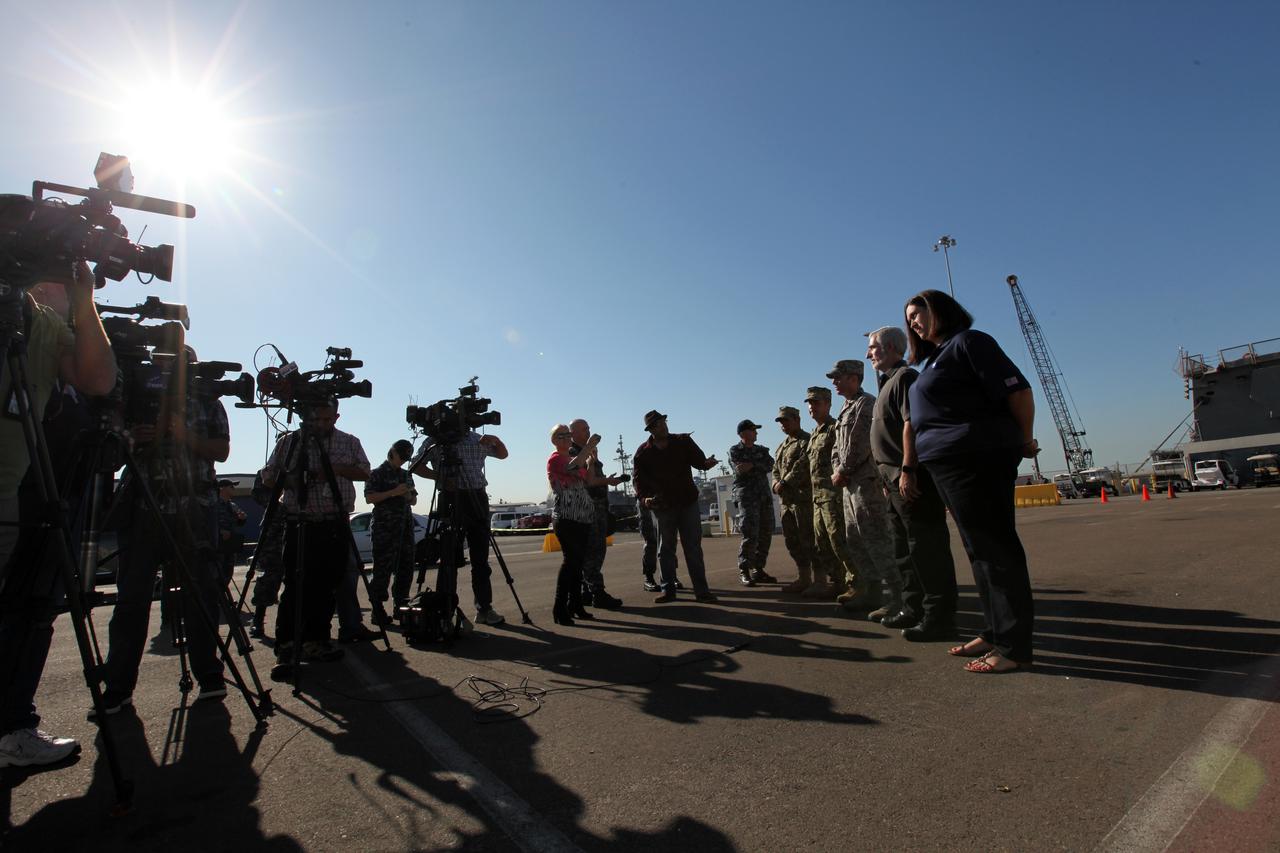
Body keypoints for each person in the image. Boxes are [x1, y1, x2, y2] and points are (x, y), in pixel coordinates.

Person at [0, 260, 115, 768]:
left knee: (30, 611)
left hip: (23, 488)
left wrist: (85, 301)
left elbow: (98, 379)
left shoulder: (41, 325)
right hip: (23, 489)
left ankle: (11, 726)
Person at [904, 289, 1038, 673]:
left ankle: (1014, 647)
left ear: (943, 311)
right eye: (909, 317)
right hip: (948, 464)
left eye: (920, 312)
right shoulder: (933, 359)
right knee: (978, 552)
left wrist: (1023, 439)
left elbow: (1019, 391)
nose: (914, 321)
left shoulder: (969, 343)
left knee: (997, 551)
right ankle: (995, 630)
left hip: (977, 457)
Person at [97, 346, 232, 714]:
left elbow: (221, 450)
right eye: (163, 360)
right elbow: (109, 449)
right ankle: (118, 688)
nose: (171, 366)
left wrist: (182, 435)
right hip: (144, 508)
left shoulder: (207, 400)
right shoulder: (136, 397)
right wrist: (136, 438)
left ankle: (210, 676)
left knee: (201, 596)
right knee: (131, 601)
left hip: (194, 508)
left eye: (180, 361)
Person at [261, 399, 370, 681]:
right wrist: (296, 479)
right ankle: (287, 645)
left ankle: (317, 641)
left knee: (328, 585)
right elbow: (269, 478)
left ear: (336, 416)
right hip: (301, 523)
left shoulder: (349, 442)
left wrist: (335, 469)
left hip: (334, 523)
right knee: (296, 585)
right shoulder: (291, 442)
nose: (322, 425)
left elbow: (364, 471)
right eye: (316, 419)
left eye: (327, 419)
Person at [866, 326, 958, 641]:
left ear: (892, 348)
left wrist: (908, 468)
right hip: (891, 479)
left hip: (909, 477)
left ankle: (939, 616)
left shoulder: (905, 378)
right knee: (903, 548)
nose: (869, 354)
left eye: (874, 347)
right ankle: (913, 607)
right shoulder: (887, 383)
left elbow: (912, 424)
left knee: (926, 548)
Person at [411, 428, 509, 626]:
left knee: (480, 558)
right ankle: (445, 611)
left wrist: (496, 441)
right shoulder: (437, 439)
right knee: (449, 558)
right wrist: (439, 477)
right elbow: (415, 465)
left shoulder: (477, 439)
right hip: (451, 498)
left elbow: (502, 454)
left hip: (477, 497)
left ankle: (484, 608)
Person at [828, 358, 900, 618]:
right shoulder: (846, 408)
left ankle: (896, 598)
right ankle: (871, 593)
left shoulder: (866, 404)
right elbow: (837, 447)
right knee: (856, 540)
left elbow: (860, 442)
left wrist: (843, 470)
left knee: (877, 540)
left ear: (854, 378)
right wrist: (838, 469)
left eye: (839, 377)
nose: (835, 382)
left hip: (865, 484)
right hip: (849, 485)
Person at [632, 410, 719, 603]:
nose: (663, 426)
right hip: (662, 506)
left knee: (693, 548)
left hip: (687, 502)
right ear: (651, 429)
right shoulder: (643, 452)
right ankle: (668, 590)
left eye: (664, 422)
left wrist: (707, 464)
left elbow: (700, 462)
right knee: (665, 549)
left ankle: (702, 591)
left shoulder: (683, 441)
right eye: (658, 425)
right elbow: (638, 480)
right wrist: (644, 498)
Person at [547, 426, 618, 625]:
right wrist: (588, 447)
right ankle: (559, 608)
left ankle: (576, 605)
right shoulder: (556, 458)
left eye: (568, 435)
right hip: (567, 518)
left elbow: (589, 478)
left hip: (582, 517)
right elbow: (572, 466)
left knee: (577, 563)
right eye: (562, 435)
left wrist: (592, 461)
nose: (567, 438)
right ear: (554, 440)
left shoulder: (573, 459)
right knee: (570, 562)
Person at [802, 387, 859, 601]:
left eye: (816, 403)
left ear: (828, 404)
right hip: (818, 498)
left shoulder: (835, 428)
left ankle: (855, 583)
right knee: (823, 543)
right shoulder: (816, 433)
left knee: (840, 541)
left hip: (833, 496)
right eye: (809, 404)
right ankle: (838, 582)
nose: (811, 407)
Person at [569, 418, 624, 609]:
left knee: (595, 550)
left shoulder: (589, 452)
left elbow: (595, 478)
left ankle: (587, 591)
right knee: (594, 550)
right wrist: (606, 481)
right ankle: (597, 592)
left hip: (598, 507)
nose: (588, 432)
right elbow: (588, 482)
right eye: (584, 429)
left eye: (588, 429)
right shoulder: (574, 453)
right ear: (573, 433)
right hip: (588, 509)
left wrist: (607, 480)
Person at [364, 439, 418, 627]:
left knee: (406, 568)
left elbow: (414, 501)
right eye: (401, 457)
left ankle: (401, 606)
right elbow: (370, 497)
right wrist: (393, 492)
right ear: (392, 453)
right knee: (382, 569)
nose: (402, 461)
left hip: (405, 527)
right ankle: (377, 609)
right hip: (384, 528)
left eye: (406, 458)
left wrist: (408, 496)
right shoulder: (376, 474)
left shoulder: (406, 474)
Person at [771, 406, 814, 593]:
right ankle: (803, 578)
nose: (783, 425)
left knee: (810, 540)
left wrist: (784, 482)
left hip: (803, 501)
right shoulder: (782, 446)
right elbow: (775, 469)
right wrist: (775, 483)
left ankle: (820, 579)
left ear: (797, 419)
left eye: (786, 421)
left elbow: (803, 465)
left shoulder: (807, 441)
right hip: (787, 503)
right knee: (793, 542)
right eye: (781, 422)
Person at [728, 419, 776, 586]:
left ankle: (758, 569)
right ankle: (745, 570)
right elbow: (739, 469)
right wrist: (757, 465)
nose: (756, 433)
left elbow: (770, 464)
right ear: (743, 433)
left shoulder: (762, 450)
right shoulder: (735, 450)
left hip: (763, 496)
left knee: (765, 532)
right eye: (753, 430)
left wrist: (752, 465)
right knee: (750, 533)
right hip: (747, 498)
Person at [216, 479, 247, 587]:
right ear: (222, 488)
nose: (234, 489)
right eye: (231, 487)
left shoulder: (232, 505)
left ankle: (223, 596)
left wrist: (242, 518)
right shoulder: (214, 505)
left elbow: (239, 523)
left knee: (228, 573)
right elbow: (206, 522)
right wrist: (220, 531)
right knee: (217, 574)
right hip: (218, 544)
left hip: (229, 545)